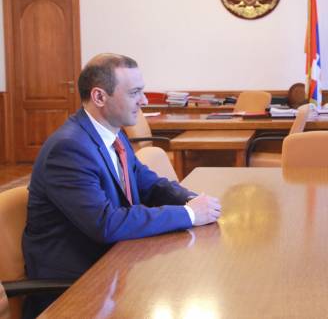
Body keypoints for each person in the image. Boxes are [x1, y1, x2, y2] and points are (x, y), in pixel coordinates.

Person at [22, 53, 221, 317]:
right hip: (77, 287)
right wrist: (190, 214)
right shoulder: (69, 148)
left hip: (116, 266)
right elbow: (106, 224)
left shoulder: (112, 134)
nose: (145, 100)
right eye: (135, 92)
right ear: (99, 97)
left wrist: (194, 200)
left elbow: (148, 183)